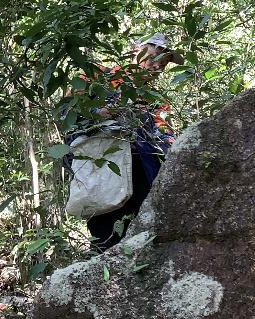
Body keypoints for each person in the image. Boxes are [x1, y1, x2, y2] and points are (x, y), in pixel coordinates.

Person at [67, 33, 180, 252]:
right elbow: (68, 115)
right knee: (106, 241)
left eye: (164, 64)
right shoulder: (96, 76)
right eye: (155, 57)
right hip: (103, 176)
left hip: (143, 181)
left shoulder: (157, 101)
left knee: (143, 244)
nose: (159, 67)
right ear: (135, 51)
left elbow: (166, 139)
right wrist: (100, 113)